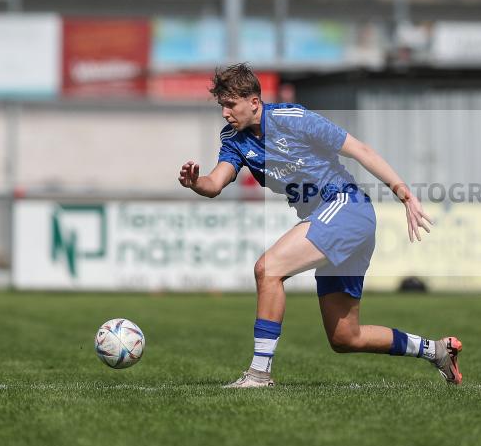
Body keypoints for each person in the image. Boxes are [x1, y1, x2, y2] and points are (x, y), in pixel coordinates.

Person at [178, 63, 462, 388]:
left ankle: (258, 374)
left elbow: (360, 150)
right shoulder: (234, 139)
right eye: (222, 105)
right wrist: (195, 182)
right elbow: (215, 183)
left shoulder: (293, 119)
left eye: (230, 104)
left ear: (254, 101)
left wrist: (405, 195)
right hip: (333, 220)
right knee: (345, 337)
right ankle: (437, 350)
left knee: (268, 269)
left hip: (346, 206)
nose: (225, 113)